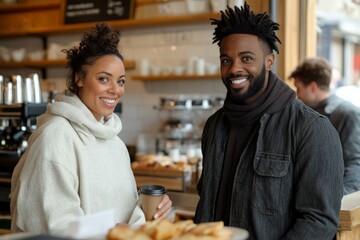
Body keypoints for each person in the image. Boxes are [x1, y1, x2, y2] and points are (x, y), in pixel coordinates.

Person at [194, 3, 344, 240]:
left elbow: (318, 222)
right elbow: (207, 200)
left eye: (247, 58)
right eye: (226, 60)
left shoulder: (311, 129)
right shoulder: (214, 125)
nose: (234, 68)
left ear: (269, 61)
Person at [10, 23, 172, 235]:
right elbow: (49, 224)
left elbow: (122, 211)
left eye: (121, 81)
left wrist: (150, 209)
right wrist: (114, 230)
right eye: (104, 79)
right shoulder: (55, 138)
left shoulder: (115, 142)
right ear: (79, 78)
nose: (115, 90)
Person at [289, 57, 360, 195]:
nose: (297, 95)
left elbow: (355, 164)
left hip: (331, 200)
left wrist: (339, 200)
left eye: (299, 88)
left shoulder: (348, 113)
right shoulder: (304, 114)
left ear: (313, 87)